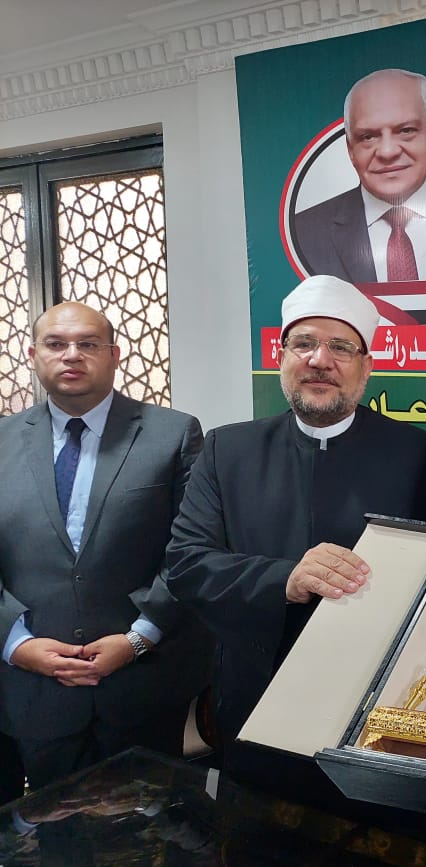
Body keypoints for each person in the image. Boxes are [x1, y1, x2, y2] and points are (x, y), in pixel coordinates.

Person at [165, 275, 426, 747]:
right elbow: (186, 565)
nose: (320, 360)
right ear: (280, 357)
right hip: (255, 696)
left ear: (367, 367)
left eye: (341, 347)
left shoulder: (415, 453)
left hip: (374, 702)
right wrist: (285, 579)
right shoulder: (227, 450)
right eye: (304, 344)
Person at [0, 302, 211, 789]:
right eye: (56, 344)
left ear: (114, 355)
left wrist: (139, 637)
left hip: (143, 682)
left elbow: (193, 548)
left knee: (148, 823)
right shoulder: (3, 440)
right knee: (51, 823)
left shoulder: (173, 434)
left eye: (89, 344)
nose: (72, 355)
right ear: (33, 355)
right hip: (33, 687)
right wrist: (17, 645)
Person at [294, 69, 426, 291]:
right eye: (368, 137)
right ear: (350, 149)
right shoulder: (307, 231)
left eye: (406, 130)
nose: (387, 152)